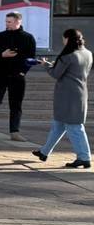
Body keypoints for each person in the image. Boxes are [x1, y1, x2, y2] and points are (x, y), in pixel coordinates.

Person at [32, 28, 93, 169]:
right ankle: (44, 152)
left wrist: (45, 65)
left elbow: (56, 74)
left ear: (68, 39)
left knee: (75, 127)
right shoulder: (87, 53)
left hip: (67, 95)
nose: (63, 41)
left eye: (64, 38)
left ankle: (84, 157)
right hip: (80, 92)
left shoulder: (68, 55)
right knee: (58, 125)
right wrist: (52, 65)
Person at [0, 11, 37, 141]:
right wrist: (2, 55)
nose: (7, 24)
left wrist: (23, 72)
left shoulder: (28, 37)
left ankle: (15, 132)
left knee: (16, 104)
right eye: (6, 22)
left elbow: (31, 58)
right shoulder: (0, 36)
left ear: (18, 21)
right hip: (0, 74)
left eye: (9, 22)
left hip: (18, 76)